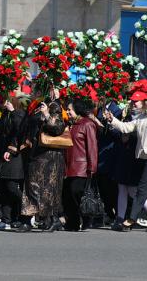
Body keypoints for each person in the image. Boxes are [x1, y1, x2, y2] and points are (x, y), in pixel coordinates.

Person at [105, 92, 147, 231]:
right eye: (133, 101)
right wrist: (112, 120)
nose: (134, 104)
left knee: (141, 190)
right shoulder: (140, 118)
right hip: (142, 157)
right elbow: (126, 127)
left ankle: (131, 219)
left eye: (137, 102)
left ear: (145, 102)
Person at [19, 101, 67, 232]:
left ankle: (53, 219)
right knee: (31, 187)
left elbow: (58, 128)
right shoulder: (35, 106)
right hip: (35, 154)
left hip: (49, 157)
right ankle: (27, 220)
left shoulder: (54, 106)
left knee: (48, 189)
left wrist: (46, 114)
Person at [0, 94, 26, 230]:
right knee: (4, 188)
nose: (3, 104)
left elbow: (19, 131)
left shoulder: (19, 114)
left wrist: (13, 112)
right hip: (2, 154)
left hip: (14, 156)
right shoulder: (5, 115)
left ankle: (26, 212)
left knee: (12, 187)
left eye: (5, 101)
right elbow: (2, 131)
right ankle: (6, 220)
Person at [64, 98, 98, 231]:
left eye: (70, 109)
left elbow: (92, 147)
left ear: (77, 110)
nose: (67, 111)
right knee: (68, 195)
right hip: (69, 165)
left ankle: (86, 217)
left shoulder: (87, 124)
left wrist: (92, 167)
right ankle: (72, 222)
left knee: (76, 192)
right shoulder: (71, 124)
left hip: (81, 166)